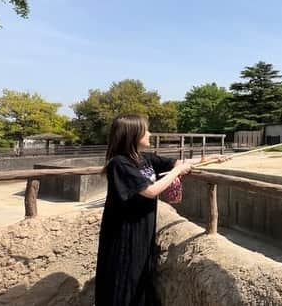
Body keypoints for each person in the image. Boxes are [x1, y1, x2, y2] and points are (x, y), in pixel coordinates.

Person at [95, 114, 227, 305]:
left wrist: (213, 158)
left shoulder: (145, 159)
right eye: (145, 130)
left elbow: (180, 164)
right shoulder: (120, 164)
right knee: (122, 276)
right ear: (132, 134)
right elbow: (150, 190)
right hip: (123, 232)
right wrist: (175, 173)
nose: (149, 133)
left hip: (143, 229)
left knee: (139, 275)